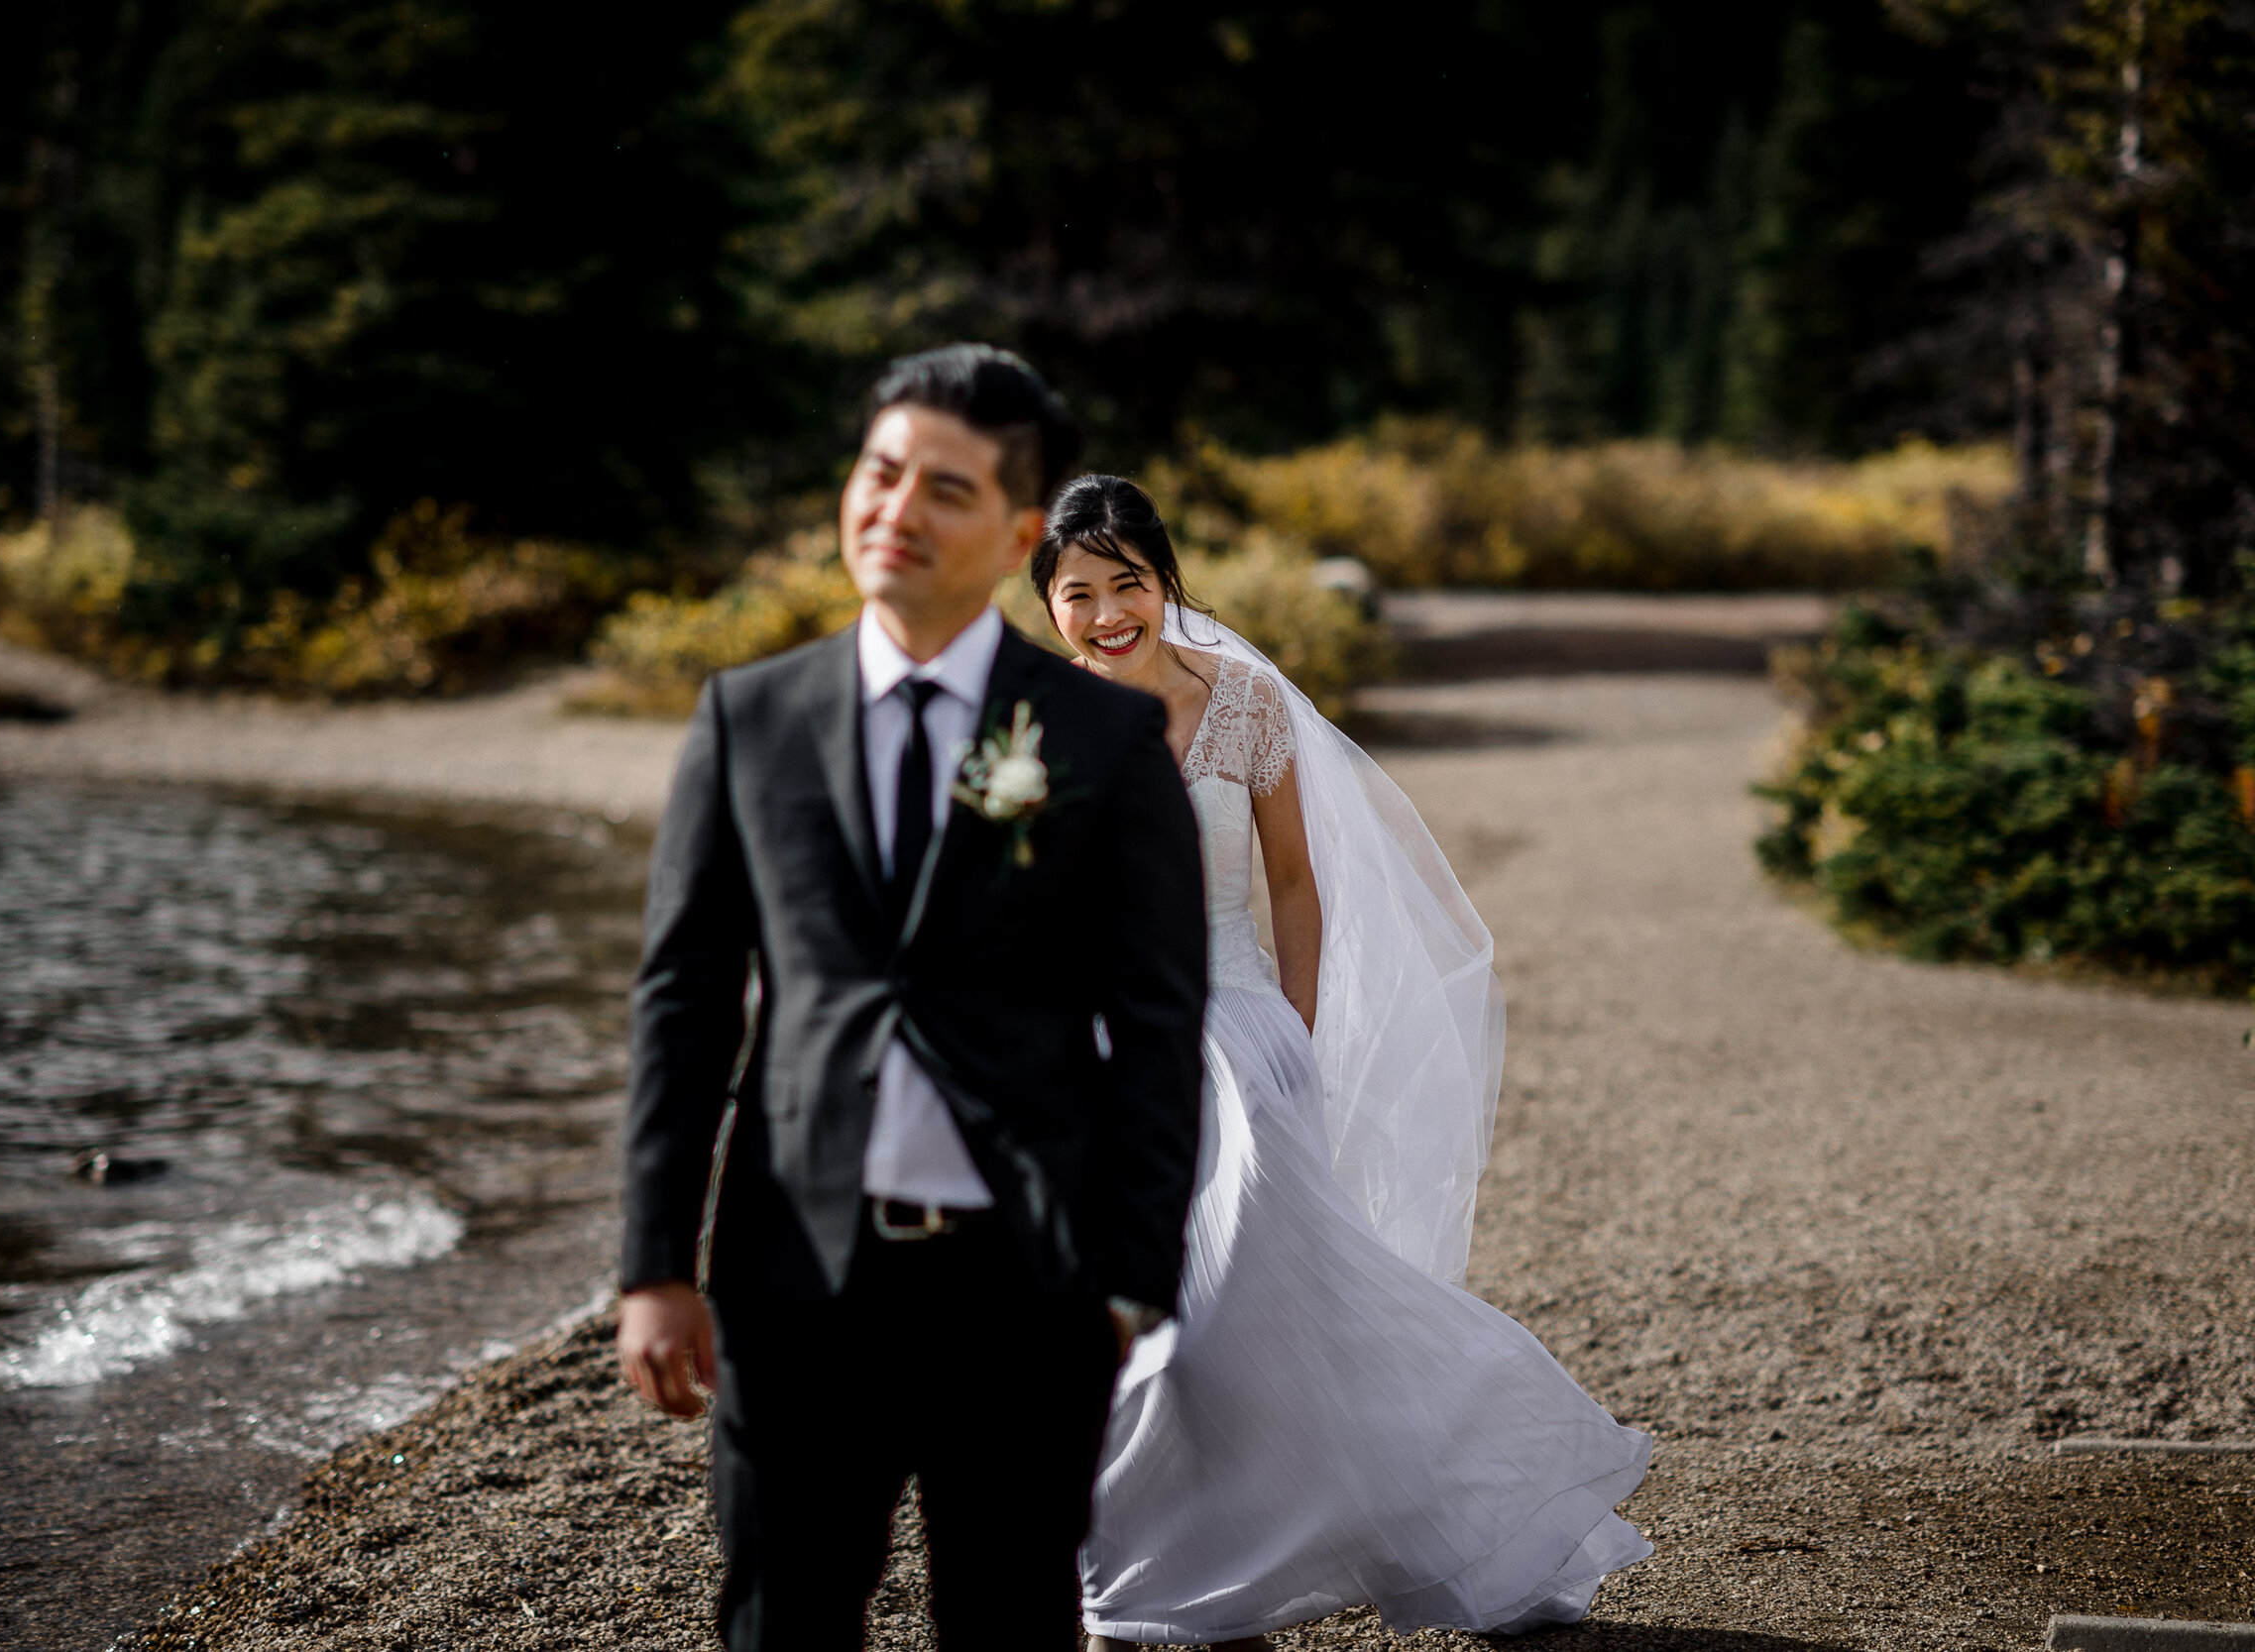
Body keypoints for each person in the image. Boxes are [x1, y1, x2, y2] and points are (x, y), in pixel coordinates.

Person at [617, 352, 1208, 1652]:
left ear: (1008, 536)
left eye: (945, 487)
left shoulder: (1101, 742)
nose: (896, 506)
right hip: (793, 1274)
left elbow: (1161, 1020)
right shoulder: (749, 717)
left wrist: (1131, 1282)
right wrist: (654, 1262)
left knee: (1007, 1618)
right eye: (880, 471)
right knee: (785, 1615)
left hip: (1026, 1283)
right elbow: (685, 1000)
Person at [1034, 475, 1654, 1649]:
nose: (1109, 611)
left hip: (1234, 1032)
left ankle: (1464, 1494)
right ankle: (1149, 1570)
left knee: (1247, 1312)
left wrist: (1296, 1035)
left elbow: (1291, 883)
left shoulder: (1245, 704)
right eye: (1080, 592)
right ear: (1048, 603)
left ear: (1166, 582)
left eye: (1130, 583)